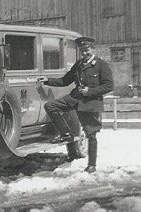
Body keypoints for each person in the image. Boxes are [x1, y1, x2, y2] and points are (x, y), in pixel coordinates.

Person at [37, 36, 114, 173]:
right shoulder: (78, 64)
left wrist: (90, 91)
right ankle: (66, 134)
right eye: (82, 51)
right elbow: (65, 81)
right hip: (75, 97)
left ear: (93, 49)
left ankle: (92, 165)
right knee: (51, 106)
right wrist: (48, 80)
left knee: (91, 134)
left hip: (90, 102)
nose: (84, 53)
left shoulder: (101, 64)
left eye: (87, 50)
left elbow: (109, 86)